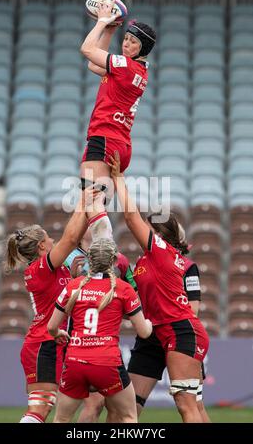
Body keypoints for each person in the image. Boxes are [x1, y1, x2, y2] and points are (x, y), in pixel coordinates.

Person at [109, 152, 210, 423]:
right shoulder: (145, 262)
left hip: (179, 329)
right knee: (127, 408)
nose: (142, 229)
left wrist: (118, 179)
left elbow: (131, 218)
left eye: (148, 227)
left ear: (159, 234)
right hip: (153, 334)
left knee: (187, 406)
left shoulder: (160, 251)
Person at [4, 187, 97, 423]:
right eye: (48, 238)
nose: (53, 240)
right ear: (41, 247)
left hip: (53, 342)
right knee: (40, 410)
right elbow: (71, 239)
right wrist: (82, 203)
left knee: (72, 405)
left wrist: (88, 210)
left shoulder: (53, 269)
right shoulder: (42, 268)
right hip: (43, 344)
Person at [48, 238, 153, 423]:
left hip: (75, 361)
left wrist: (59, 334)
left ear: (89, 260)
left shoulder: (73, 286)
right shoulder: (123, 289)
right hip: (107, 362)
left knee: (61, 419)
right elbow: (144, 332)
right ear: (114, 261)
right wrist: (150, 323)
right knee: (128, 416)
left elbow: (51, 327)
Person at [80, 0, 156, 195]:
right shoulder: (138, 70)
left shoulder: (125, 66)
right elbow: (93, 65)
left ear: (143, 49)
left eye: (133, 42)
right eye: (126, 38)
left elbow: (87, 50)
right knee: (90, 206)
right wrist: (110, 32)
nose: (126, 44)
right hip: (120, 143)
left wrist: (102, 21)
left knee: (91, 202)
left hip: (105, 137)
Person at [128, 251, 211, 423]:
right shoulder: (141, 266)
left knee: (193, 405)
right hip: (150, 338)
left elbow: (193, 309)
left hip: (180, 335)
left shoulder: (187, 266)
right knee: (129, 406)